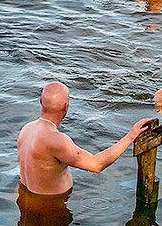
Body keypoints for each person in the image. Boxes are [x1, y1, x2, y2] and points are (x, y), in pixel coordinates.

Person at [16, 82, 154, 201]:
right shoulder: (56, 140)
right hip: (51, 207)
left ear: (41, 102)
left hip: (26, 198)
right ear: (66, 107)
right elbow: (96, 165)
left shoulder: (27, 129)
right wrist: (131, 136)